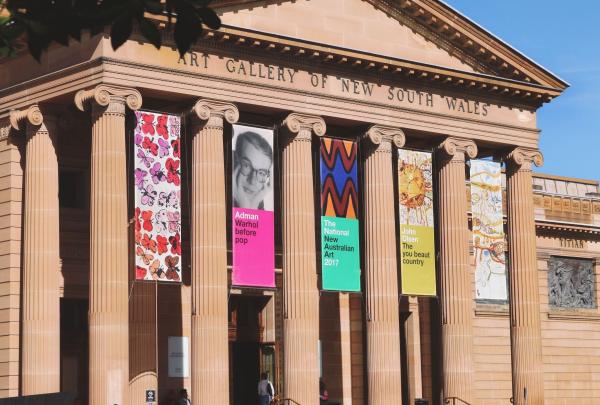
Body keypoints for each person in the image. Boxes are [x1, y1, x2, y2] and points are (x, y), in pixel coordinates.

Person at [233, 131, 273, 210]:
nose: (252, 181)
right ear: (234, 160)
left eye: (261, 173)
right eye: (247, 166)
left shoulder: (257, 203)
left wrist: (251, 206)